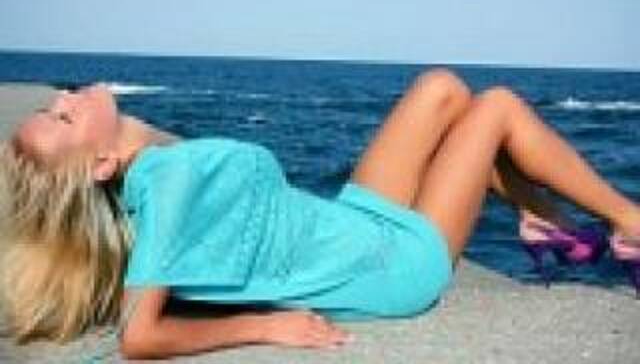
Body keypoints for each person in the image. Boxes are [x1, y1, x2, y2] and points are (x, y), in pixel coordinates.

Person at [1, 68, 639, 360]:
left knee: (442, 89)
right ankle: (630, 223)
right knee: (495, 105)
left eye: (54, 106)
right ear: (102, 164)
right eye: (63, 119)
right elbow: (140, 337)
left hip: (351, 222)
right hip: (390, 267)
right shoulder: (163, 184)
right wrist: (261, 326)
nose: (65, 99)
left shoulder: (156, 172)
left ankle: (535, 215)